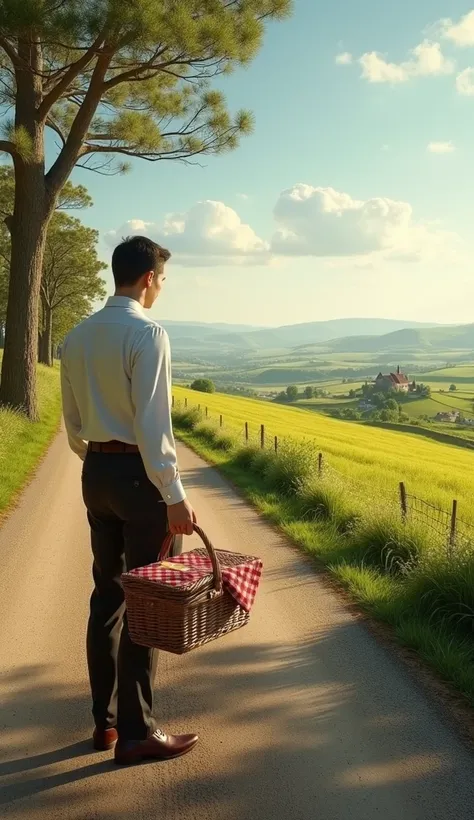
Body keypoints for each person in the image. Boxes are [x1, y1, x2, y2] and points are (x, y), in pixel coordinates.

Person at [60, 235, 199, 766]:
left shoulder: (76, 336)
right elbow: (153, 424)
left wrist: (97, 461)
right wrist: (175, 494)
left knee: (108, 597)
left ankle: (107, 725)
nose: (161, 288)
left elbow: (72, 422)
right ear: (148, 279)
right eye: (162, 280)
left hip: (95, 469)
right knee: (148, 600)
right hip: (141, 478)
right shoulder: (150, 333)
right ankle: (140, 732)